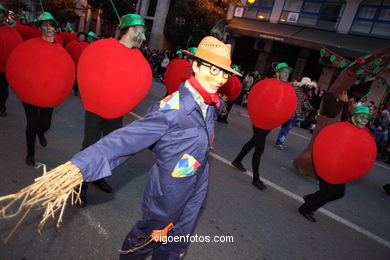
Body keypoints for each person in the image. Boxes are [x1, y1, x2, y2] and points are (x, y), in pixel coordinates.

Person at [69, 35, 240, 258]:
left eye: (225, 72)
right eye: (214, 70)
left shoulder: (212, 102)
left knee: (178, 239)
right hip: (171, 187)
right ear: (195, 65)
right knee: (152, 235)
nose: (220, 79)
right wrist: (79, 166)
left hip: (198, 179)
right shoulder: (173, 108)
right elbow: (127, 139)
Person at [77, 14, 147, 206]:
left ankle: (98, 176)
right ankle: (79, 185)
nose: (143, 37)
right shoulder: (104, 47)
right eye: (140, 32)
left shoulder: (138, 57)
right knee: (89, 146)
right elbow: (88, 68)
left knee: (111, 148)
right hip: (95, 107)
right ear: (131, 30)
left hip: (116, 111)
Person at [298, 105, 372, 222]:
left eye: (367, 118)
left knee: (338, 193)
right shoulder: (342, 128)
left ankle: (310, 199)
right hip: (329, 165)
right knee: (326, 193)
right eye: (362, 117)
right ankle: (305, 208)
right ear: (354, 117)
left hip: (341, 169)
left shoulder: (362, 134)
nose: (364, 120)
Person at [231, 62, 293, 190]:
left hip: (270, 122)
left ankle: (237, 160)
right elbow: (257, 97)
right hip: (259, 121)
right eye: (283, 72)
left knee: (253, 142)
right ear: (278, 73)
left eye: (287, 72)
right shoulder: (268, 84)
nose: (286, 74)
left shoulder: (287, 88)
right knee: (259, 149)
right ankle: (256, 179)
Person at [23, 12, 59, 166]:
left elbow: (61, 69)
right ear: (40, 28)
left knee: (45, 123)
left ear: (55, 28)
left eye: (51, 25)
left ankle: (41, 132)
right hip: (30, 89)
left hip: (48, 90)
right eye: (44, 25)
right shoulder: (31, 45)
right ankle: (30, 154)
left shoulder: (59, 47)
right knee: (32, 122)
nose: (48, 28)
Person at [274, 77, 315, 150]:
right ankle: (279, 142)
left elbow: (305, 102)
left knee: (286, 128)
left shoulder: (303, 92)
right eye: (307, 85)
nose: (308, 87)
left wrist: (311, 108)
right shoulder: (296, 89)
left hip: (296, 112)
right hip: (291, 111)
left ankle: (281, 140)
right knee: (286, 127)